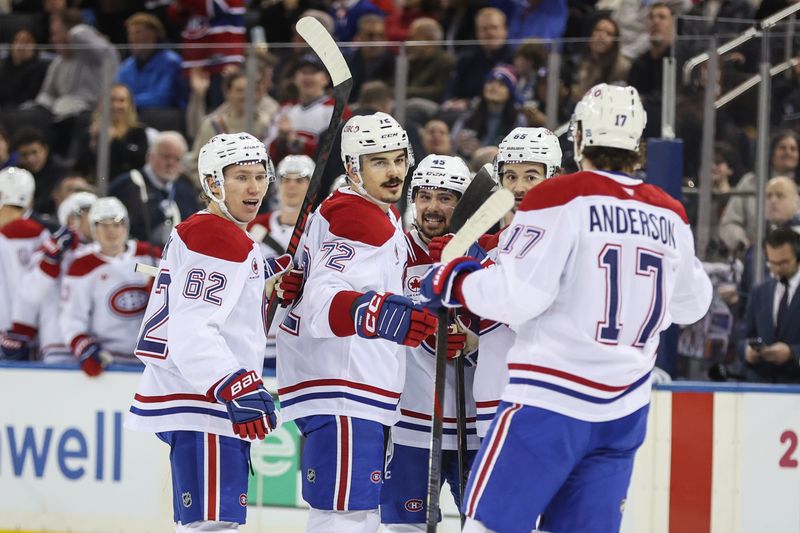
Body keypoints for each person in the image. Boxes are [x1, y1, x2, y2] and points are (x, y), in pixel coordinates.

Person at [419, 84, 712, 532]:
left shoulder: (562, 196)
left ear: (577, 138)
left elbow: (517, 297)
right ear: (637, 144)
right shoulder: (670, 213)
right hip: (624, 409)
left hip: (549, 403)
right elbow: (693, 304)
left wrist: (456, 281)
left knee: (486, 526)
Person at [275, 112, 438, 532]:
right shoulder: (356, 215)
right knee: (345, 518)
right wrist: (379, 314)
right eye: (379, 161)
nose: (394, 171)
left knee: (355, 516)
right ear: (352, 168)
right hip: (345, 387)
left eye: (399, 159)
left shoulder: (369, 213)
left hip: (348, 387)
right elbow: (321, 302)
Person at [126, 132, 288, 532]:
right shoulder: (218, 236)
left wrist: (258, 276)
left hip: (195, 395)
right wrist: (234, 385)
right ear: (213, 184)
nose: (255, 187)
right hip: (203, 400)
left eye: (260, 175)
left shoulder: (211, 232)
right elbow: (192, 327)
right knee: (212, 525)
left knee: (205, 524)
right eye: (241, 177)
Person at [380, 153, 478, 531]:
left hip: (474, 422)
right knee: (404, 527)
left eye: (446, 198)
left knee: (486, 524)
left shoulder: (483, 255)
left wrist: (471, 342)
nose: (432, 207)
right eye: (424, 197)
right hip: (410, 423)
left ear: (464, 204)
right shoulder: (392, 252)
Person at [471, 127, 562, 437]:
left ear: (554, 176)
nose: (519, 187)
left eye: (531, 176)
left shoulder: (562, 237)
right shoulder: (502, 241)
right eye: (510, 176)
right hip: (493, 400)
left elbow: (525, 313)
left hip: (537, 401)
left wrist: (473, 268)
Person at [60, 197, 160, 375]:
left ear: (126, 225)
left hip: (152, 361)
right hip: (108, 361)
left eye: (116, 224)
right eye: (103, 225)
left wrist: (164, 295)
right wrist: (85, 348)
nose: (111, 231)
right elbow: (72, 319)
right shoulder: (82, 267)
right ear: (93, 228)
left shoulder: (150, 256)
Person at [2, 191, 97, 363]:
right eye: (85, 213)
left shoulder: (114, 256)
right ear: (71, 219)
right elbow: (30, 293)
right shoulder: (49, 249)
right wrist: (21, 331)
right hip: (58, 344)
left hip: (104, 346)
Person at [248, 154, 314, 369]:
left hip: (302, 340)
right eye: (286, 179)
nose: (291, 186)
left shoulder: (321, 228)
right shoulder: (253, 227)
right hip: (259, 336)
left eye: (300, 180)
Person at [109, 131, 198, 247]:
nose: (171, 163)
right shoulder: (125, 185)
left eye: (177, 159)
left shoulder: (186, 190)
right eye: (166, 156)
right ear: (150, 156)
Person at [740, 225, 800, 383]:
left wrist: (792, 353)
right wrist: (747, 351)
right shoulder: (759, 292)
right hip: (760, 388)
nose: (777, 269)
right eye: (772, 263)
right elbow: (742, 337)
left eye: (784, 263)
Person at [0, 167, 47, 337]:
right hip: (33, 331)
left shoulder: (36, 234)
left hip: (15, 331)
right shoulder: (44, 233)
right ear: (30, 200)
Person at [73, 83, 149, 181]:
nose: (115, 105)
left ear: (129, 105)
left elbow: (139, 163)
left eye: (121, 100)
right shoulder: (89, 133)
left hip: (126, 185)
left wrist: (115, 140)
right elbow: (79, 168)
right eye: (111, 100)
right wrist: (93, 143)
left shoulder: (139, 132)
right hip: (94, 184)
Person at [116, 12, 186, 110]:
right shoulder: (127, 66)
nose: (132, 39)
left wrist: (127, 102)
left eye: (138, 32)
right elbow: (117, 93)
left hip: (167, 115)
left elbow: (163, 98)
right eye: (130, 33)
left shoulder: (171, 62)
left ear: (154, 35)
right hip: (133, 113)